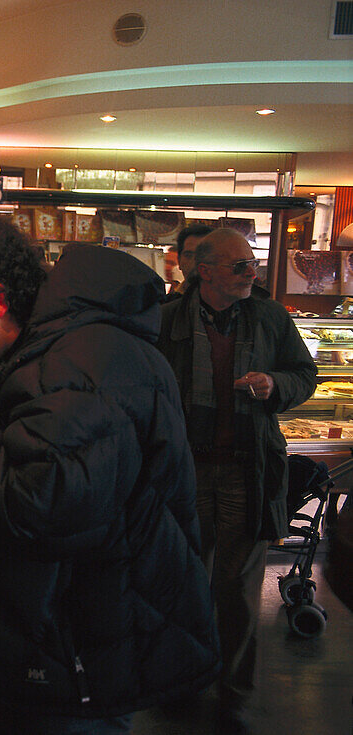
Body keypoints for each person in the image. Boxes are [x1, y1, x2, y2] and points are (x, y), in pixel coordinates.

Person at [0, 217, 219, 735]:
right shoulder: (60, 344)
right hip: (66, 631)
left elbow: (39, 503)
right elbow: (38, 440)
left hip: (84, 650)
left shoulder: (88, 359)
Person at [156, 227, 316, 732]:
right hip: (187, 468)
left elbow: (304, 375)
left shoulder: (269, 317)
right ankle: (180, 680)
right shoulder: (167, 320)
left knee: (238, 587)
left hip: (249, 468)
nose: (253, 273)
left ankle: (235, 691)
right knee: (182, 580)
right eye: (240, 265)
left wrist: (275, 385)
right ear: (205, 272)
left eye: (252, 264)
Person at [167, 223, 213, 299]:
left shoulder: (233, 303)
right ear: (179, 261)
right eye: (188, 255)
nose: (195, 261)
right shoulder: (165, 306)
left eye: (203, 255)